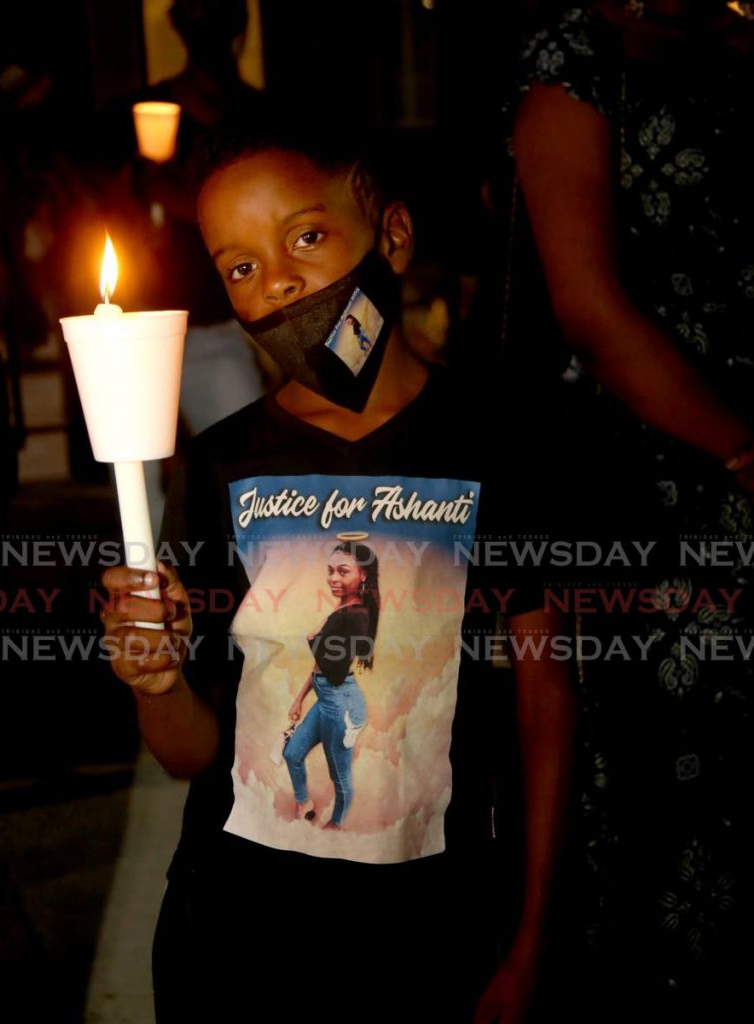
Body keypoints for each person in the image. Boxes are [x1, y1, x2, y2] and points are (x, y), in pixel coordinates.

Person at [100, 119, 576, 1023]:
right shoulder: (221, 467)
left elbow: (545, 701)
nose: (275, 280)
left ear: (391, 237)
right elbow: (190, 751)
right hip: (236, 936)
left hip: (432, 932)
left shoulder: (493, 443)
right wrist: (155, 679)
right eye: (238, 266)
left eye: (305, 238)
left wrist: (532, 936)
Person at [510, 1, 754, 1018]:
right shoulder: (577, 49)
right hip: (658, 477)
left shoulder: (735, 34)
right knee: (669, 816)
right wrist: (744, 449)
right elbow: (590, 306)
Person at [283, 540, 379, 829]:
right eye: (330, 571)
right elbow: (321, 667)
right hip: (326, 698)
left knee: (339, 774)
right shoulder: (343, 609)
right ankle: (304, 802)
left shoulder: (357, 616)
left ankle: (336, 823)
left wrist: (312, 640)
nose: (333, 579)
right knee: (292, 753)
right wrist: (299, 698)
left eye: (343, 572)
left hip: (341, 702)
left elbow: (334, 671)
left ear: (362, 575)